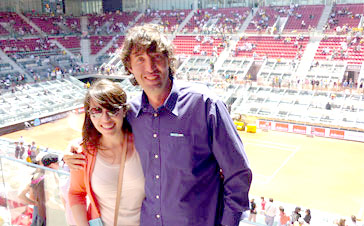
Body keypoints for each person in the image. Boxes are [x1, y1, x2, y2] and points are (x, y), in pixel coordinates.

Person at [65, 23, 252, 226]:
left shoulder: (205, 105)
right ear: (129, 66)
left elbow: (238, 173)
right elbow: (106, 130)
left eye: (156, 57)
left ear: (168, 60)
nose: (150, 68)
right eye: (140, 59)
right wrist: (74, 148)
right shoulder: (132, 113)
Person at [68, 79, 145, 226]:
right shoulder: (83, 152)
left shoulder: (145, 144)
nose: (105, 118)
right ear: (89, 115)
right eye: (97, 111)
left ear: (123, 111)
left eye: (112, 109)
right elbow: (76, 193)